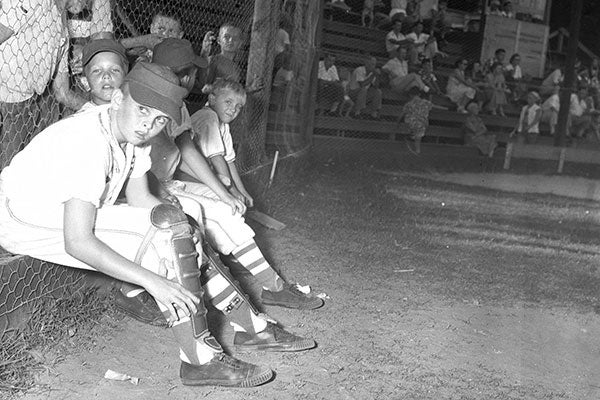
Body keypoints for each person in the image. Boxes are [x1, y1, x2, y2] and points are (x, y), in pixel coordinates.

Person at [0, 62, 275, 388]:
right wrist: (152, 280)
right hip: (19, 218)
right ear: (118, 99)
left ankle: (249, 326)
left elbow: (142, 199)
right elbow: (78, 242)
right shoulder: (88, 140)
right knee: (168, 237)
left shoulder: (132, 138)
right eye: (142, 109)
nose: (148, 124)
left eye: (159, 119)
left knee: (179, 227)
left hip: (56, 213)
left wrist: (189, 232)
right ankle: (202, 359)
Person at [150, 39, 324, 311]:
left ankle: (270, 284)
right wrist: (226, 191)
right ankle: (269, 286)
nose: (198, 77)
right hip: (154, 188)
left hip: (169, 182)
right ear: (183, 75)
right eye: (194, 72)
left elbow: (198, 154)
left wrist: (229, 194)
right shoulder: (163, 104)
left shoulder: (180, 105)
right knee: (220, 210)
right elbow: (190, 156)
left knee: (226, 207)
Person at [0, 0, 87, 169]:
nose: (90, 4)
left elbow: (63, 92)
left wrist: (97, 109)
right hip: (5, 101)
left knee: (7, 175)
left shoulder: (63, 28)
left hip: (21, 109)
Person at [79, 39, 129, 110]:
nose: (106, 76)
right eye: (97, 71)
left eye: (114, 70)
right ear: (85, 82)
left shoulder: (136, 113)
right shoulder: (81, 119)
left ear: (126, 78)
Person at [397, 87, 433, 154]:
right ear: (419, 94)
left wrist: (397, 122)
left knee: (414, 128)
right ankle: (417, 149)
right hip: (423, 124)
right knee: (419, 135)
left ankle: (411, 138)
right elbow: (430, 105)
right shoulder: (426, 102)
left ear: (410, 95)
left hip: (411, 122)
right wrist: (430, 96)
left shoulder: (408, 104)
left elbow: (401, 115)